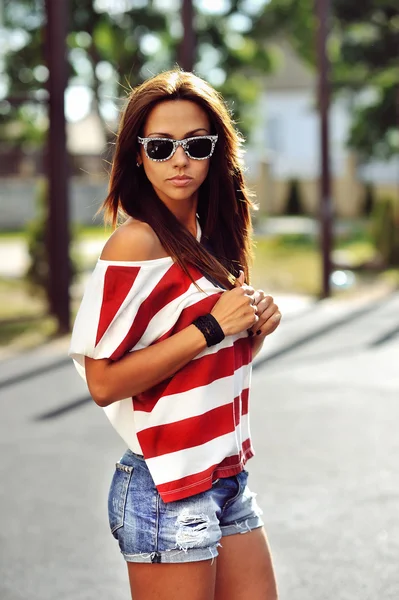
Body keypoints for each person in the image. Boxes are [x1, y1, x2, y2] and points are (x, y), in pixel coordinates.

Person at [69, 68, 281, 600]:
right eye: (161, 146)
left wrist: (252, 327)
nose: (180, 159)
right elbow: (103, 382)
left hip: (225, 478)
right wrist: (211, 327)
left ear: (216, 153)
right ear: (138, 155)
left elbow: (203, 363)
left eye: (196, 143)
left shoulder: (211, 237)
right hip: (167, 485)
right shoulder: (134, 244)